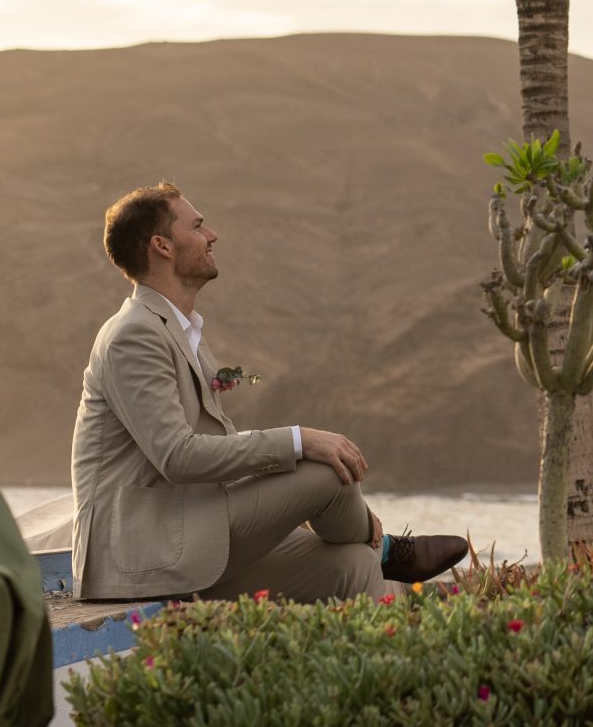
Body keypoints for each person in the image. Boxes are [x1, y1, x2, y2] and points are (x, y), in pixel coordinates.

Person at [70, 182, 467, 601]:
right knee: (327, 470)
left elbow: (210, 451)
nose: (212, 236)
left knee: (352, 565)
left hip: (195, 531)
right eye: (198, 226)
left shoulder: (180, 330)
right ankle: (388, 549)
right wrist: (297, 440)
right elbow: (178, 456)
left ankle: (384, 647)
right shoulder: (134, 335)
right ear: (162, 246)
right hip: (145, 554)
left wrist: (283, 479)